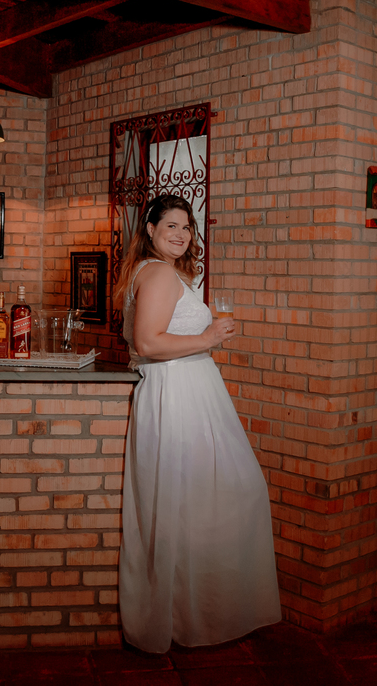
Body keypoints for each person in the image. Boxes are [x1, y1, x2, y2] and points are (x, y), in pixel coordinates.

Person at [115, 193, 281, 654]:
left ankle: (199, 613)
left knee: (194, 501)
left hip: (188, 389)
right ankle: (192, 618)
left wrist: (205, 340)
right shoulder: (158, 273)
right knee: (216, 495)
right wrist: (207, 337)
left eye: (186, 227)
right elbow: (148, 343)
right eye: (171, 225)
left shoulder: (158, 272)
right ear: (150, 229)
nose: (181, 234)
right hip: (178, 392)